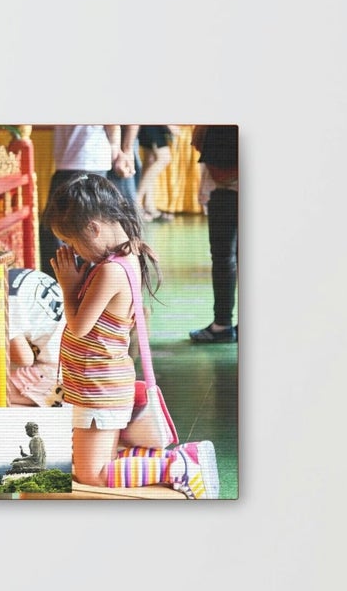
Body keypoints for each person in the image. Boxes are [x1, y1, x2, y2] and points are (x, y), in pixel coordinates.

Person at [44, 174, 219, 498]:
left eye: (74, 244)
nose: (75, 253)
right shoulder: (121, 257)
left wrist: (68, 287)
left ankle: (179, 464)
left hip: (100, 388)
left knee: (92, 474)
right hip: (96, 385)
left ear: (94, 228)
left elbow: (80, 326)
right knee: (93, 462)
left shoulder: (110, 270)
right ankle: (170, 462)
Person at [38, 125, 117, 270]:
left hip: (88, 158)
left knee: (79, 228)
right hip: (70, 162)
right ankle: (71, 279)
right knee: (59, 226)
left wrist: (117, 149)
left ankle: (80, 280)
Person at [189, 124, 238, 343]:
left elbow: (221, 171)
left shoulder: (222, 126)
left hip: (229, 194)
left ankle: (222, 325)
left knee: (223, 260)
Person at [6, 266, 65, 406]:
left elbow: (24, 359)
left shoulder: (1, 301)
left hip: (63, 370)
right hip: (78, 347)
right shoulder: (12, 275)